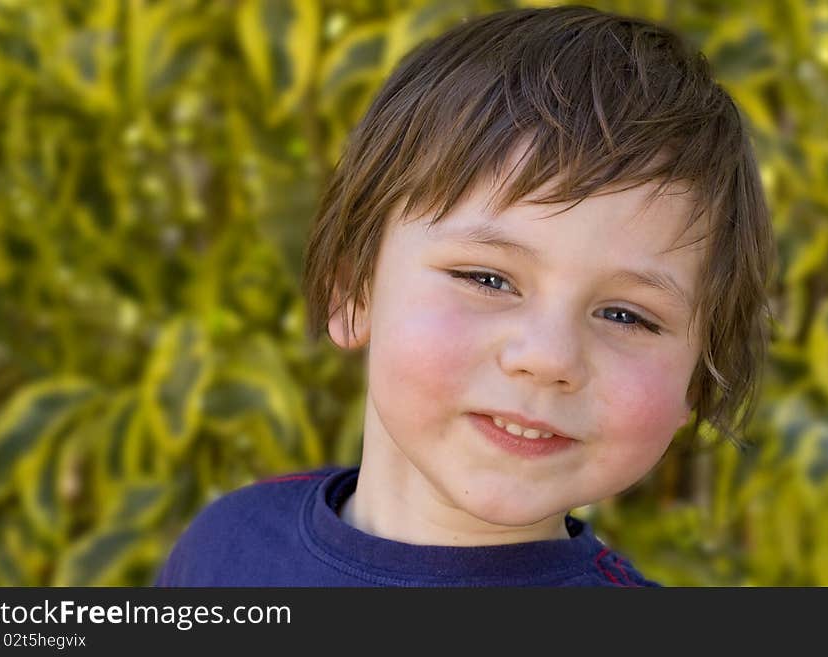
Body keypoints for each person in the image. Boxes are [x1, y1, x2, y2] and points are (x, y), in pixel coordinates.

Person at [155, 5, 775, 587]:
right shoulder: (223, 551)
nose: (549, 357)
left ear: (693, 385)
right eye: (488, 279)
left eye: (625, 315)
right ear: (352, 291)